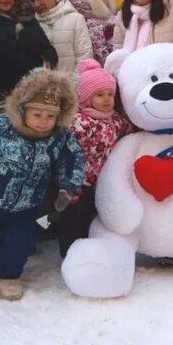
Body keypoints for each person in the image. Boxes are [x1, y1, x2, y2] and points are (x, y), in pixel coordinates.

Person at [0, 68, 84, 306]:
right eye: (37, 115)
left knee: (20, 241)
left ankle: (9, 275)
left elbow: (72, 160)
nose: (44, 122)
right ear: (22, 111)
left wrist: (68, 187)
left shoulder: (59, 138)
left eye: (50, 116)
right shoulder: (2, 130)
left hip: (27, 203)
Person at [57, 59, 131, 257]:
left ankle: (95, 254)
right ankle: (71, 254)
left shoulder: (116, 120)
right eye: (99, 95)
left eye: (110, 95)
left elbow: (127, 135)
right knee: (74, 221)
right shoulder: (79, 122)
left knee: (95, 219)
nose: (107, 99)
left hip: (103, 182)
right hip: (79, 182)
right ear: (86, 97)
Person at [25, 0, 92, 73]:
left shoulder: (75, 19)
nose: (37, 4)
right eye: (32, 0)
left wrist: (73, 85)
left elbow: (85, 56)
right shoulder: (32, 25)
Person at [65, 0, 117, 65]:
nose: (105, 1)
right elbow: (102, 54)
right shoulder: (93, 26)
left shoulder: (110, 19)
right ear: (87, 3)